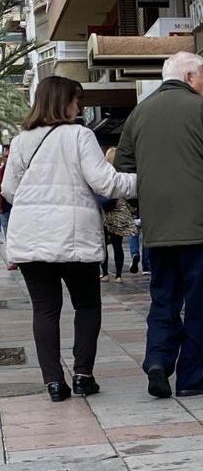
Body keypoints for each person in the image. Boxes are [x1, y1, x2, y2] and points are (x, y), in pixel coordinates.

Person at [1, 77, 136, 402]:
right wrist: (144, 180)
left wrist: (36, 205)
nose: (80, 107)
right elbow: (105, 182)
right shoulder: (79, 135)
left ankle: (53, 383)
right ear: (64, 102)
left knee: (45, 310)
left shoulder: (20, 141)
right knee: (87, 305)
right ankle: (82, 375)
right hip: (74, 238)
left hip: (32, 238)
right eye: (77, 101)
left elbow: (8, 189)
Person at [115, 52, 203, 398]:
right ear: (189, 77)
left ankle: (157, 361)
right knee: (199, 303)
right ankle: (191, 377)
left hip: (158, 229)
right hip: (202, 227)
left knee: (164, 299)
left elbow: (124, 169)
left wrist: (149, 203)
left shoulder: (139, 114)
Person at [100, 147, 138, 284]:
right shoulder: (122, 172)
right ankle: (118, 275)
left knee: (103, 244)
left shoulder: (104, 172)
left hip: (105, 212)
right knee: (118, 245)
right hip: (120, 211)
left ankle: (104, 274)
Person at [0, 144, 16, 271]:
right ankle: (12, 260)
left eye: (9, 155)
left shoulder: (19, 170)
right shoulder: (0, 171)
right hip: (4, 209)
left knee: (17, 234)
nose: (7, 157)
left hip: (18, 208)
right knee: (7, 235)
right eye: (5, 155)